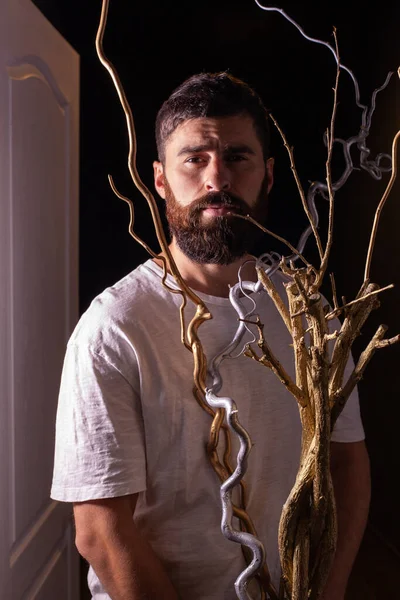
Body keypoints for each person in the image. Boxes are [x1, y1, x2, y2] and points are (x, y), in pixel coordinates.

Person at [50, 72, 371, 600]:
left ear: (268, 175)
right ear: (159, 179)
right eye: (194, 158)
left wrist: (329, 590)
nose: (217, 178)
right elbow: (102, 531)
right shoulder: (114, 328)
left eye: (238, 158)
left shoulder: (309, 309)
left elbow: (347, 464)